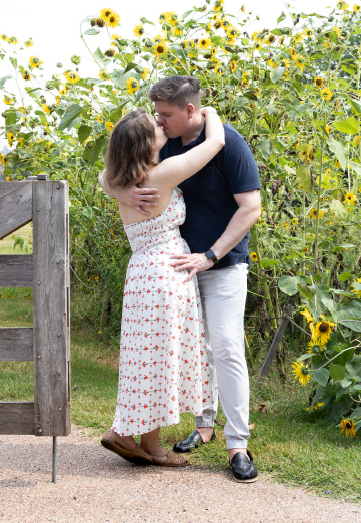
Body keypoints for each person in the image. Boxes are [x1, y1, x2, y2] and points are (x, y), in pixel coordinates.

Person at [127, 74, 262, 483]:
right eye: (156, 114)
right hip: (180, 268)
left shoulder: (229, 143)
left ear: (190, 110)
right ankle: (204, 426)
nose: (159, 121)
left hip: (222, 263)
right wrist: (122, 193)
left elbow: (251, 208)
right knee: (197, 348)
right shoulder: (163, 141)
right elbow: (116, 169)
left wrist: (211, 255)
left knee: (226, 345)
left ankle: (237, 443)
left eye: (165, 114)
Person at [98, 105, 226, 468]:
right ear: (144, 143)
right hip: (164, 275)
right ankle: (149, 446)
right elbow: (216, 142)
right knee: (159, 360)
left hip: (140, 274)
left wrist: (114, 189)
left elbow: (104, 176)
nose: (160, 124)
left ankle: (131, 432)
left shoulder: (123, 181)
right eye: (154, 124)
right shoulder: (163, 174)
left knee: (144, 359)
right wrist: (209, 110)